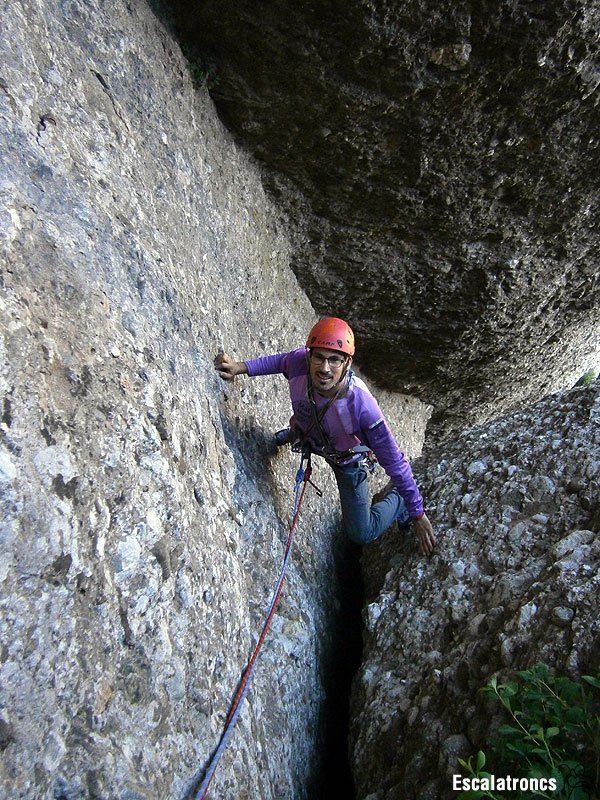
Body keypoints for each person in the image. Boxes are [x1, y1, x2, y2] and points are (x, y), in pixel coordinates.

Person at [214, 317, 435, 556]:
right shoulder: (299, 361)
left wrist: (417, 512)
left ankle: (398, 500)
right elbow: (279, 362)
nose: (324, 368)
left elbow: (395, 463)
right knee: (305, 421)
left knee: (362, 533)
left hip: (346, 460)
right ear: (309, 356)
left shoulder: (362, 407)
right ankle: (296, 435)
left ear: (347, 363)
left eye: (334, 360)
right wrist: (240, 368)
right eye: (319, 357)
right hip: (310, 435)